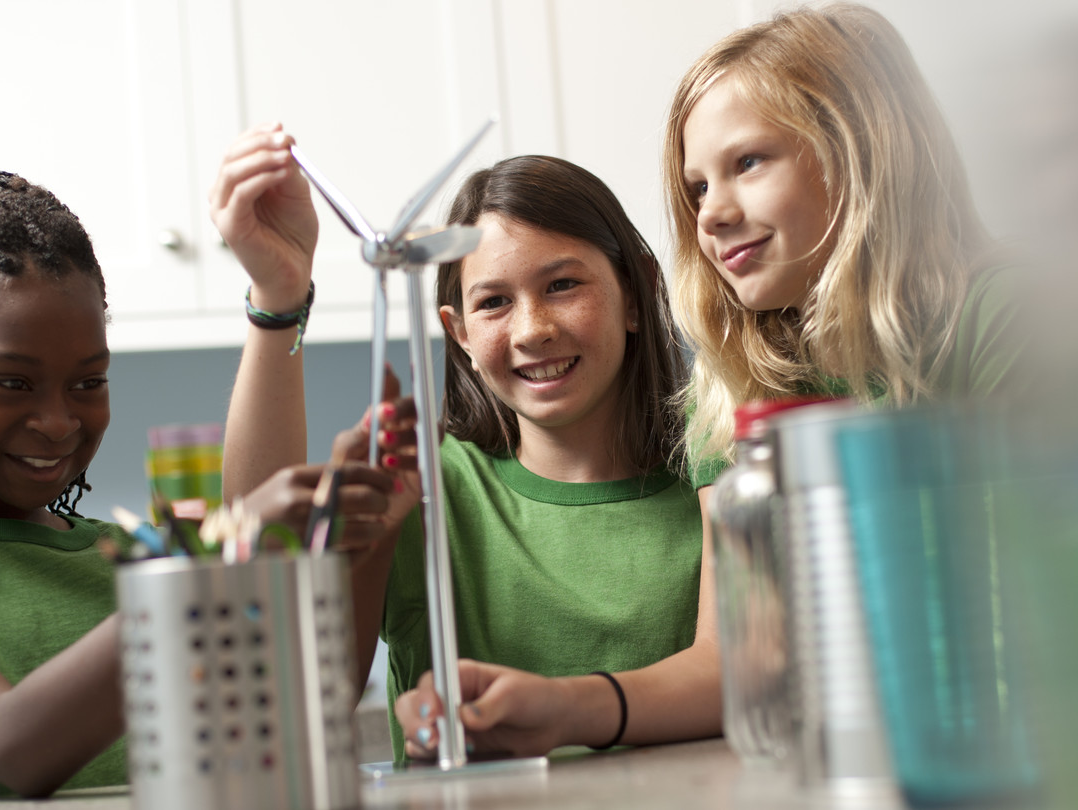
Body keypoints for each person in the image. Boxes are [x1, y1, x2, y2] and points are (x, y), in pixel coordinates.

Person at [0, 154, 402, 797]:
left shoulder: (123, 557)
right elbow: (7, 745)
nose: (58, 422)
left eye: (89, 381)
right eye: (11, 382)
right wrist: (213, 558)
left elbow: (297, 708)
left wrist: (369, 534)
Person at [212, 130, 716, 762]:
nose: (533, 329)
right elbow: (284, 661)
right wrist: (277, 296)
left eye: (563, 285)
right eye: (494, 302)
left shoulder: (714, 477)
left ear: (636, 293)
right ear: (460, 337)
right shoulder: (425, 491)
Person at [664, 2, 1028, 487]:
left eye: (749, 162)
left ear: (858, 149)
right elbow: (726, 566)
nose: (709, 214)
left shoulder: (1003, 315)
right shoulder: (726, 386)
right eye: (699, 188)